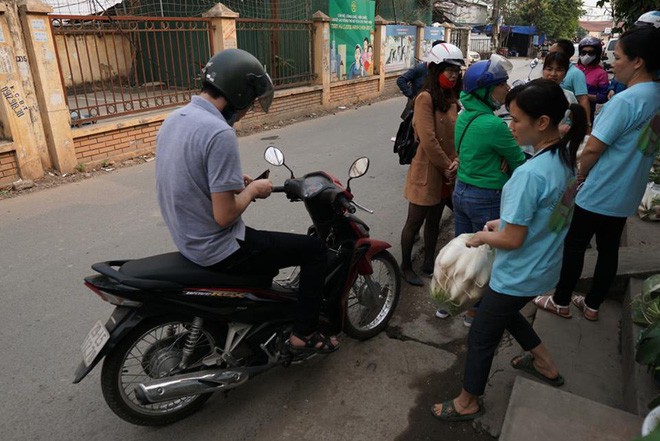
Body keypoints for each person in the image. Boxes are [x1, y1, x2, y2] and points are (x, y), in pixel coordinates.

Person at [155, 48, 338, 354]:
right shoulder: (218, 132)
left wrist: (230, 181)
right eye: (250, 102)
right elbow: (225, 217)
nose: (246, 110)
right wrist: (253, 191)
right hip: (217, 247)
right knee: (315, 251)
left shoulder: (176, 118)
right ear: (238, 93)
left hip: (187, 237)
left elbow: (185, 171)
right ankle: (302, 334)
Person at [431, 79, 588, 421]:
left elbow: (513, 240)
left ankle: (467, 402)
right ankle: (545, 362)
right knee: (500, 311)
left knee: (481, 338)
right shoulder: (563, 158)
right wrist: (501, 223)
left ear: (542, 122)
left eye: (516, 119)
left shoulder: (528, 174)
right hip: (544, 266)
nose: (510, 126)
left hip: (519, 271)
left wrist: (481, 238)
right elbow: (544, 215)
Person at [534, 25, 660, 322]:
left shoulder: (626, 101)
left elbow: (592, 149)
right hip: (628, 190)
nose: (613, 63)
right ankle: (592, 305)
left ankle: (561, 300)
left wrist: (578, 175)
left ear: (637, 61)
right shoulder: (655, 94)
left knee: (575, 245)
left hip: (600, 188)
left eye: (618, 57)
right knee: (608, 248)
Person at [443, 54, 526, 325]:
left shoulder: (465, 115)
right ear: (486, 90)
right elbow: (519, 162)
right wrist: (506, 155)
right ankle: (473, 312)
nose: (507, 89)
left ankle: (450, 301)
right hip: (486, 197)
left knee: (464, 250)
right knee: (484, 258)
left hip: (462, 192)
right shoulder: (492, 125)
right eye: (502, 84)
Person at [400, 43, 464, 286]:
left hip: (446, 173)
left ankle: (428, 263)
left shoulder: (452, 99)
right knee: (414, 222)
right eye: (449, 70)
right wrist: (449, 166)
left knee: (435, 222)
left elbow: (455, 136)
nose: (453, 75)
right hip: (427, 172)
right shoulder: (424, 98)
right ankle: (405, 266)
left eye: (456, 71)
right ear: (435, 69)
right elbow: (428, 140)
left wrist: (456, 161)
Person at [548, 39, 592, 126]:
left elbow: (583, 99)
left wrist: (586, 124)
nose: (553, 74)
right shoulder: (548, 73)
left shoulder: (576, 74)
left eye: (553, 53)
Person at [576, 37, 609, 124]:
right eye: (584, 52)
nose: (586, 55)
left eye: (590, 53)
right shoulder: (574, 69)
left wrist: (584, 96)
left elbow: (603, 97)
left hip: (587, 113)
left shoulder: (601, 73)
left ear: (597, 54)